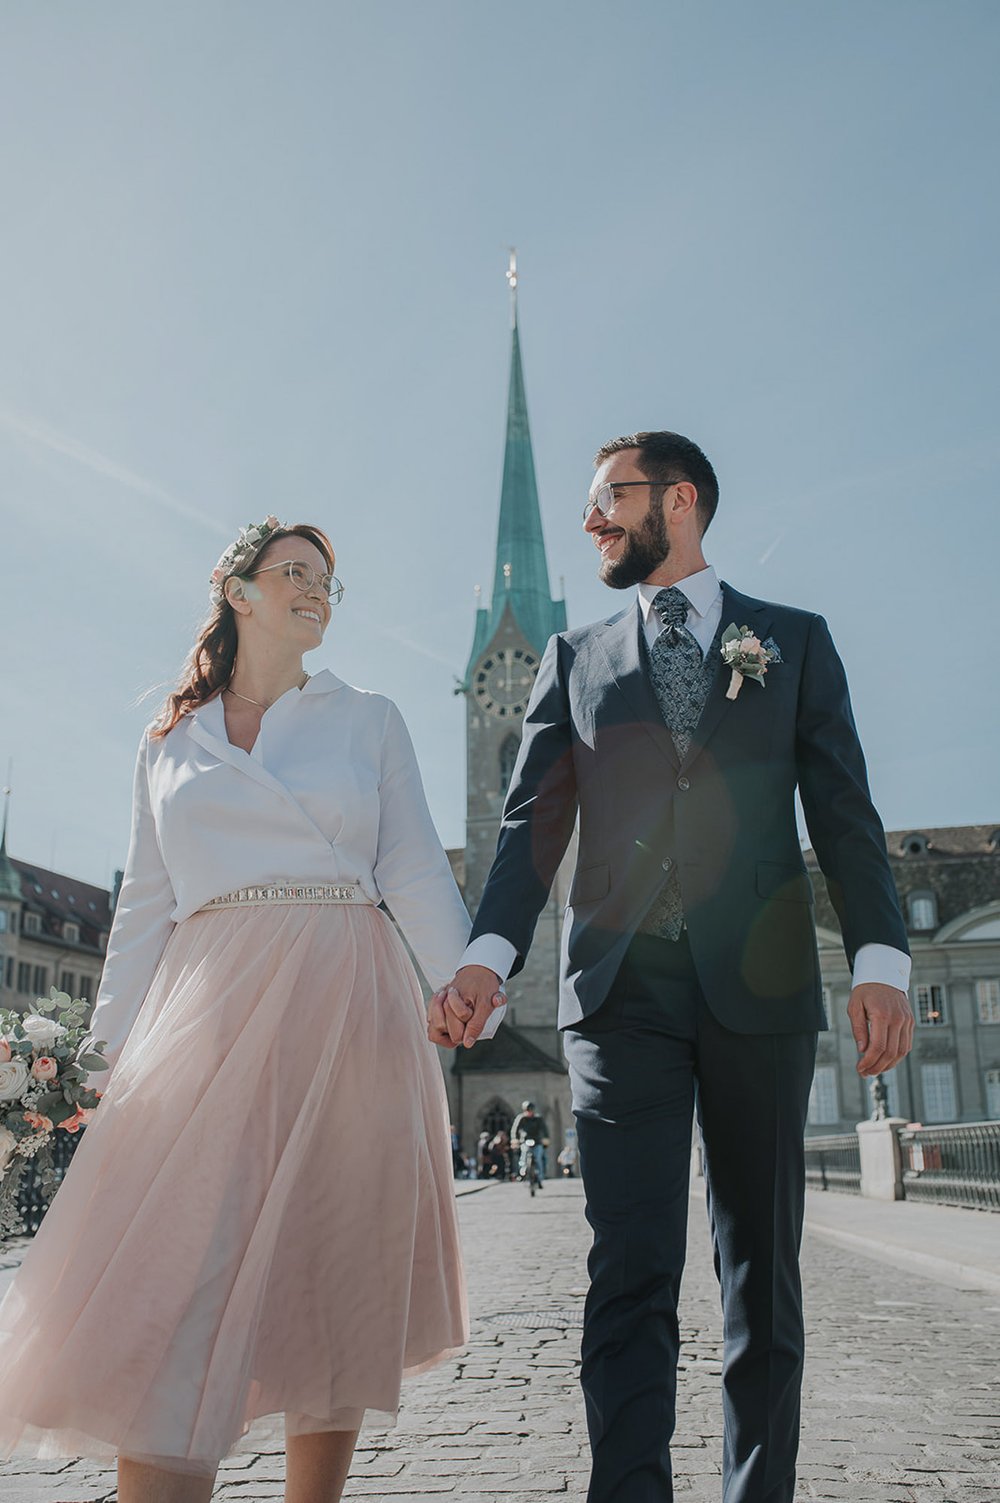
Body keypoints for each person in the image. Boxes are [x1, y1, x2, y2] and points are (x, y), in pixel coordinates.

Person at [429, 432, 914, 1503]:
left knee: (761, 1275)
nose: (593, 519)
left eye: (611, 498)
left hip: (762, 990)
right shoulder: (570, 659)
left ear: (679, 501)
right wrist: (484, 957)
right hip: (618, 1000)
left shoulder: (794, 642)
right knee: (630, 1270)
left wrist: (880, 954)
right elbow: (527, 831)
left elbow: (842, 811)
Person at [0, 517, 504, 1503]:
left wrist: (461, 981)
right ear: (239, 592)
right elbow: (145, 912)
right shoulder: (169, 746)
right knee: (173, 1271)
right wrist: (95, 1065)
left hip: (346, 1000)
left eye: (329, 581)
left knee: (329, 1260)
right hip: (210, 1010)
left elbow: (408, 866)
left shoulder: (368, 718)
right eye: (297, 574)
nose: (318, 591)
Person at [510, 1100, 550, 1182]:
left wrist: (545, 1138)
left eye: (530, 1110)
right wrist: (515, 1139)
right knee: (523, 1156)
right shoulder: (521, 1118)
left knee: (538, 1158)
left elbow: (544, 1129)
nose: (529, 1112)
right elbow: (515, 1130)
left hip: (537, 1141)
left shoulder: (538, 1119)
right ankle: (522, 1171)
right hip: (525, 1140)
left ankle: (540, 1176)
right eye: (527, 1110)